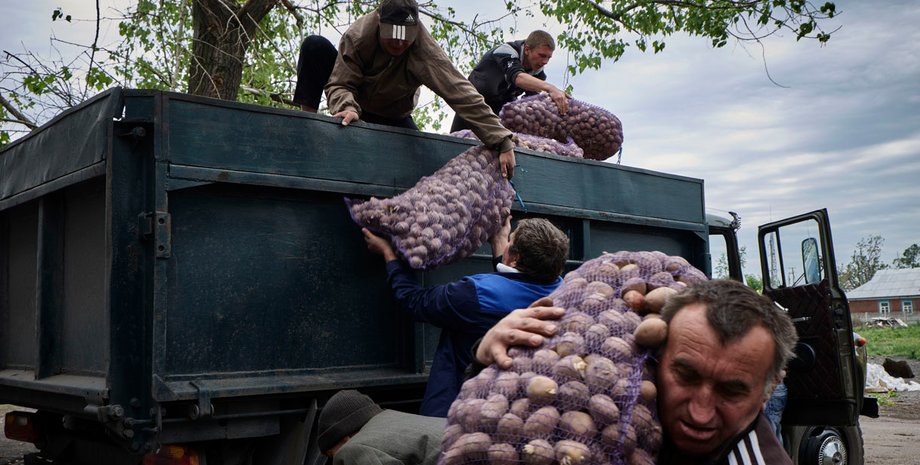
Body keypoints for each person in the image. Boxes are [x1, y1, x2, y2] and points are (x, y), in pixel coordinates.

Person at [474, 279, 799, 465]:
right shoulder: (618, 393)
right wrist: (489, 358)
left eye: (731, 391)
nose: (700, 414)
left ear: (769, 390)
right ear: (656, 355)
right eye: (686, 376)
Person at [362, 216, 569, 417]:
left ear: (515, 259)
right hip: (517, 411)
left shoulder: (472, 294)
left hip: (458, 408)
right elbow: (517, 284)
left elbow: (414, 301)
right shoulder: (564, 297)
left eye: (510, 241)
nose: (507, 242)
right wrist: (499, 242)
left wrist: (389, 254)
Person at [292, 0, 517, 179]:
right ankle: (307, 128)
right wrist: (347, 107)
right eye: (393, 37)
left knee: (421, 171)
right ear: (379, 22)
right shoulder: (358, 36)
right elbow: (341, 82)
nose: (399, 44)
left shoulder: (423, 48)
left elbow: (460, 91)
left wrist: (501, 140)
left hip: (393, 113)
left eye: (405, 38)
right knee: (315, 46)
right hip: (354, 109)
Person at [450, 30, 569, 133]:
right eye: (542, 56)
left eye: (548, 57)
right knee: (457, 141)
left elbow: (533, 102)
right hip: (473, 103)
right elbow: (518, 77)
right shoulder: (506, 51)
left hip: (500, 111)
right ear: (527, 49)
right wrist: (551, 88)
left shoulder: (538, 72)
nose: (545, 62)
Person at [316, 389, 444, 465]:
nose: (334, 460)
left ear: (345, 438)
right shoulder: (395, 420)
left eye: (331, 454)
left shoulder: (354, 448)